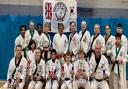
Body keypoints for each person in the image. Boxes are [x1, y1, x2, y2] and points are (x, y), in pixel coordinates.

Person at [104, 24, 115, 89]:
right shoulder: (104, 36)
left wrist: (107, 52)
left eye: (108, 29)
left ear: (110, 30)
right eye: (106, 29)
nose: (107, 30)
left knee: (110, 76)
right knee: (105, 75)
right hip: (105, 59)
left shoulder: (112, 38)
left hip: (110, 58)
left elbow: (113, 48)